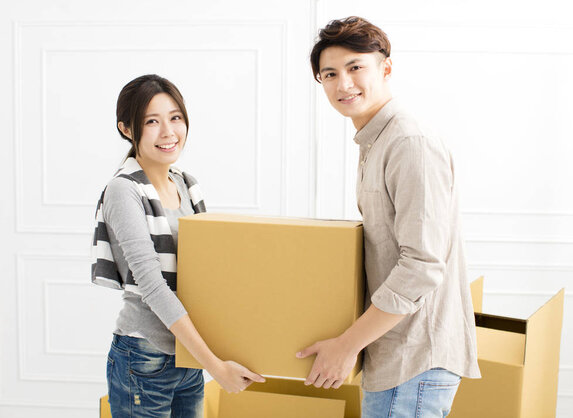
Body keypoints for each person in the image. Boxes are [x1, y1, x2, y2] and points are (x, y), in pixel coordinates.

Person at [296, 17, 480, 417]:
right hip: (395, 356)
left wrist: (346, 345)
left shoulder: (409, 142)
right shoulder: (375, 142)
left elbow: (421, 266)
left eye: (355, 67)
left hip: (414, 359)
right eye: (329, 74)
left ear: (386, 68)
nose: (343, 84)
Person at [91, 74, 264, 417]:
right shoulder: (124, 190)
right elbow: (153, 285)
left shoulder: (187, 184)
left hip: (189, 357)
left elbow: (207, 273)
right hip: (145, 356)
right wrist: (215, 365)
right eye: (151, 122)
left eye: (175, 117)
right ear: (127, 129)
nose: (168, 132)